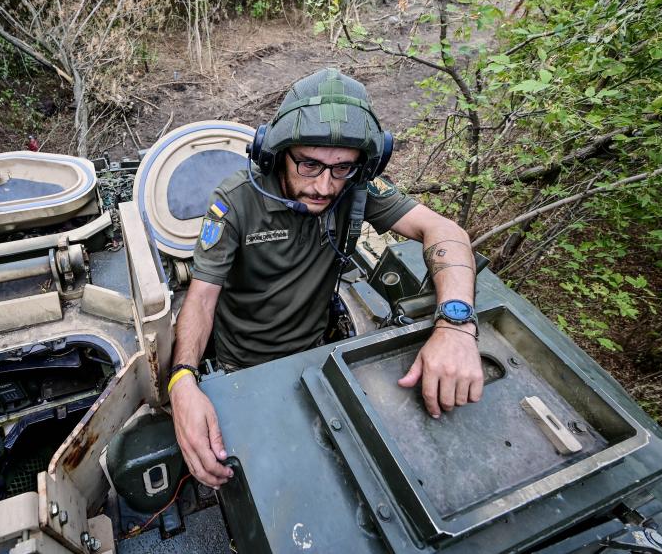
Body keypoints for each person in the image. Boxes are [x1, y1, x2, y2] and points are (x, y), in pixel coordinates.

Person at [168, 69, 483, 489]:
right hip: (241, 364)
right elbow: (202, 296)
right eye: (309, 163)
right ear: (278, 152)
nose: (323, 185)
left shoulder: (355, 189)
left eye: (341, 169)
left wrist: (456, 326)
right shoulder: (235, 200)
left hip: (315, 355)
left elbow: (446, 232)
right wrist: (182, 380)